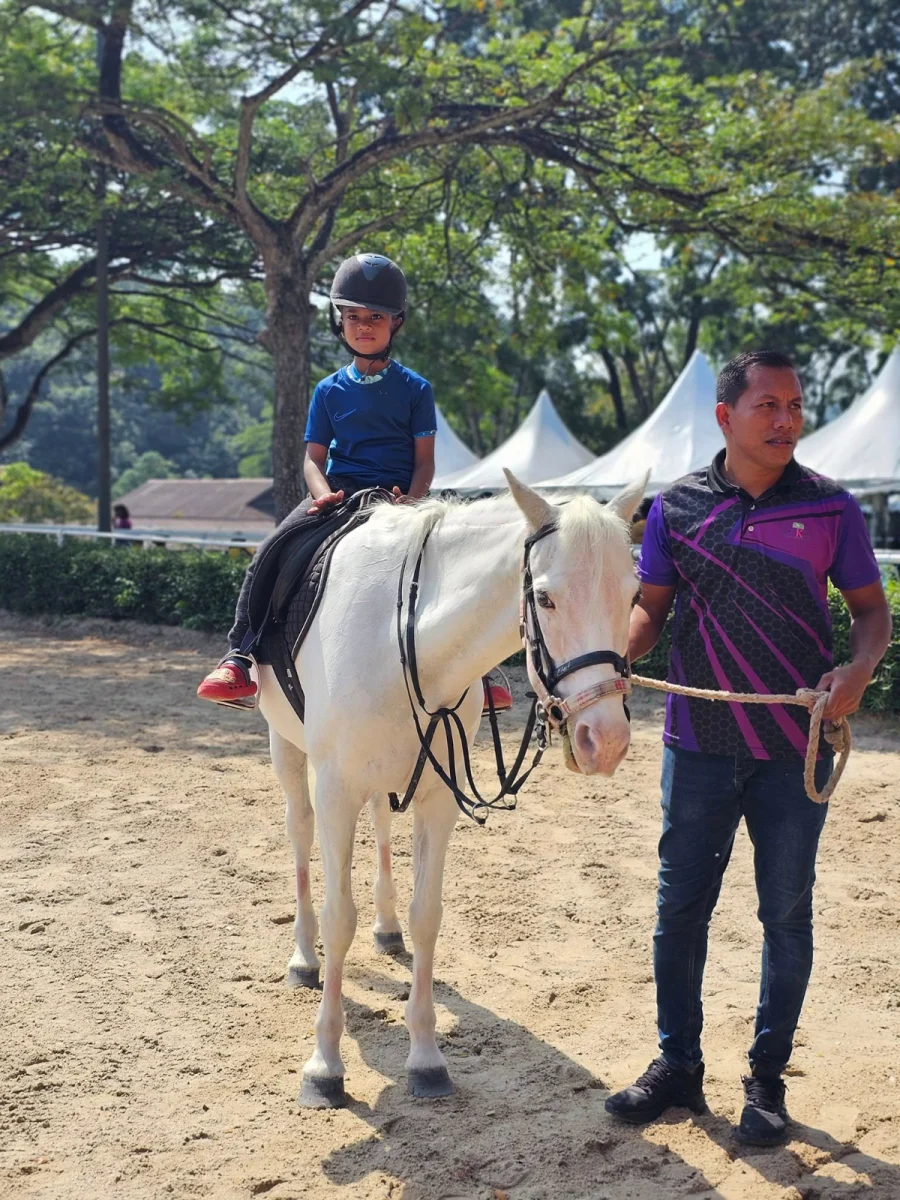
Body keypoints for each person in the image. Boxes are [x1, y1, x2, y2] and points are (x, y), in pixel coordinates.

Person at [604, 350, 892, 1146]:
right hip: (696, 743)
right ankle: (677, 1067)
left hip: (796, 745)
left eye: (795, 405)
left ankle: (766, 1080)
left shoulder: (831, 507)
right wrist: (616, 656)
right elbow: (651, 610)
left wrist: (858, 671)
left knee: (786, 914)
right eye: (769, 405)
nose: (787, 419)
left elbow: (872, 613)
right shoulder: (675, 508)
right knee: (679, 912)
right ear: (726, 416)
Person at [196, 253, 513, 713]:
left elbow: (425, 462)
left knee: (458, 559)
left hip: (401, 495)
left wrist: (414, 500)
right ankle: (240, 656)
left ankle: (481, 673)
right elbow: (312, 458)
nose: (364, 326)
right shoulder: (327, 390)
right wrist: (322, 495)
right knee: (271, 551)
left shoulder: (416, 389)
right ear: (339, 322)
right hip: (339, 493)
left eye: (375, 317)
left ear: (396, 322)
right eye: (354, 317)